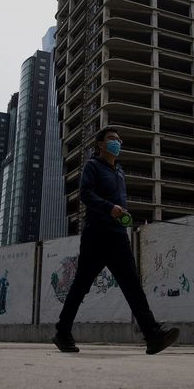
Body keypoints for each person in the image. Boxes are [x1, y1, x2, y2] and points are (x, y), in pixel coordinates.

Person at [52, 126, 180, 355]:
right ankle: (62, 331)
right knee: (81, 285)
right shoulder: (92, 166)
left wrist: (123, 216)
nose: (117, 143)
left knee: (132, 285)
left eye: (119, 140)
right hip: (96, 236)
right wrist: (109, 208)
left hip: (118, 237)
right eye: (112, 139)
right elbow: (85, 194)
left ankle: (152, 334)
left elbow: (118, 203)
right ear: (100, 144)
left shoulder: (119, 173)